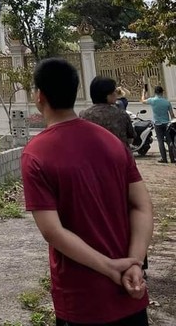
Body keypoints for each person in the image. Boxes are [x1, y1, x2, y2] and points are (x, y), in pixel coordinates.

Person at [22, 57, 153, 326]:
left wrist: (109, 268)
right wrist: (134, 263)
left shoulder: (36, 154)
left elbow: (53, 231)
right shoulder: (112, 144)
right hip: (131, 289)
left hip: (82, 299)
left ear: (39, 96)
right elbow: (141, 205)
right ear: (76, 92)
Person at [80, 76, 136, 147]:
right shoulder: (121, 114)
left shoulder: (84, 115)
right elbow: (130, 138)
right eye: (114, 91)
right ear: (107, 95)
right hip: (119, 155)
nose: (116, 94)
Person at [141, 85, 175, 164]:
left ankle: (164, 158)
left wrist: (143, 92)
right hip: (166, 124)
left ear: (155, 92)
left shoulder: (152, 100)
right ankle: (172, 158)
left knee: (160, 141)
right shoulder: (167, 102)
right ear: (162, 92)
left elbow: (142, 101)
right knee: (170, 141)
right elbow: (172, 115)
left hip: (157, 123)